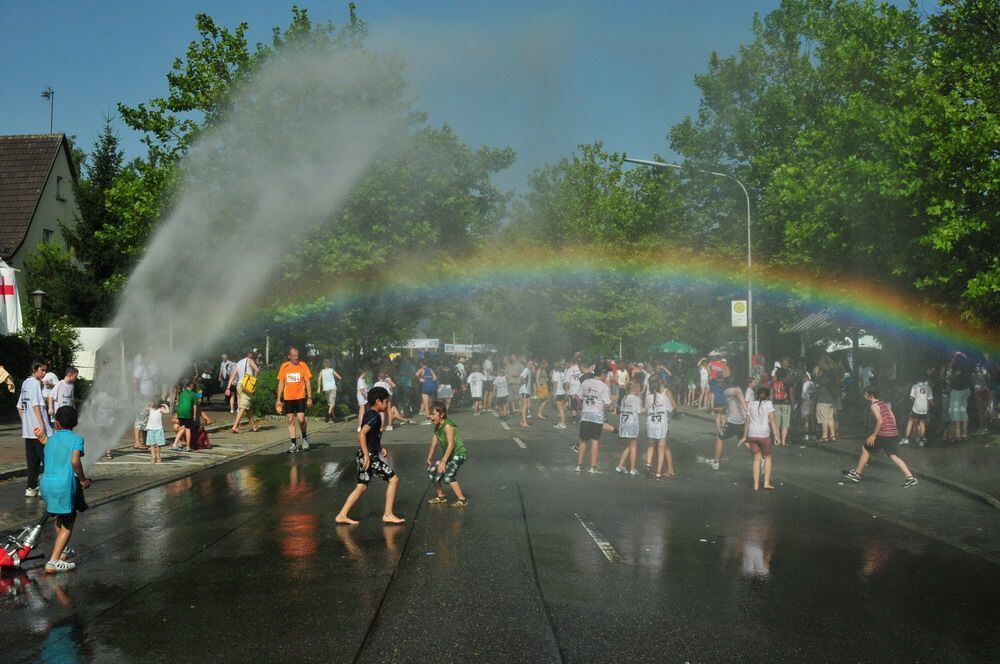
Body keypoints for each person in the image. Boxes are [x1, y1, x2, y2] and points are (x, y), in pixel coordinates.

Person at [335, 386, 404, 525]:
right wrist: (367, 455)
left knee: (361, 486)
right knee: (394, 480)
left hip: (365, 455)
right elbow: (361, 435)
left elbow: (368, 437)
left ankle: (342, 515)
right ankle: (388, 514)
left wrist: (379, 447)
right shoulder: (374, 416)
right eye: (386, 401)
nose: (387, 404)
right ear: (378, 401)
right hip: (368, 457)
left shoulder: (369, 413)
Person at [39, 406, 91, 573]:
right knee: (68, 522)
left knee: (60, 518)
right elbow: (75, 461)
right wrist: (83, 479)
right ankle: (53, 562)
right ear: (75, 423)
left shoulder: (50, 440)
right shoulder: (76, 439)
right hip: (63, 485)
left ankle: (63, 550)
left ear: (56, 423)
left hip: (46, 484)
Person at [844, 388, 918, 487]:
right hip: (893, 433)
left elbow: (880, 421)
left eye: (865, 394)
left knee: (866, 448)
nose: (864, 395)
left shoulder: (874, 406)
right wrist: (892, 429)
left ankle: (857, 474)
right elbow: (892, 417)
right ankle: (910, 478)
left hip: (884, 434)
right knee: (893, 456)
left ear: (871, 395)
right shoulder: (884, 404)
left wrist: (874, 435)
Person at [425, 401, 469, 508]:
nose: (431, 417)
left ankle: (462, 500)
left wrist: (443, 461)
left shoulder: (447, 425)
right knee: (431, 472)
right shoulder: (437, 427)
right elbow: (434, 443)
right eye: (430, 414)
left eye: (433, 414)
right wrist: (429, 458)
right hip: (449, 455)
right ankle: (441, 496)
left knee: (448, 476)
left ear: (442, 414)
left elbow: (451, 445)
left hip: (459, 453)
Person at [18, 361, 53, 497]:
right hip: (39, 432)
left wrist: (26, 421)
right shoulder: (34, 384)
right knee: (48, 458)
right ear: (35, 369)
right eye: (42, 370)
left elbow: (19, 406)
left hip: (29, 431)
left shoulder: (25, 383)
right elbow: (36, 404)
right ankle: (47, 487)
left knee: (32, 461)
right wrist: (42, 424)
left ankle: (31, 487)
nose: (44, 373)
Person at [739, 386, 778, 491]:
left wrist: (744, 436)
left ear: (757, 395)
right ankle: (766, 483)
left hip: (752, 434)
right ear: (768, 396)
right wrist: (777, 436)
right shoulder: (769, 404)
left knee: (756, 460)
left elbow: (747, 421)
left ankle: (756, 485)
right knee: (768, 458)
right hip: (764, 435)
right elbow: (772, 419)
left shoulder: (751, 404)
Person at [576, 362, 612, 474]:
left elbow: (577, 396)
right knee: (595, 440)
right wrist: (604, 409)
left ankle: (579, 465)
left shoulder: (586, 382)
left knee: (583, 440)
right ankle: (593, 467)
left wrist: (582, 407)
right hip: (596, 415)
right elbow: (607, 403)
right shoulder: (604, 386)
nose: (606, 376)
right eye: (606, 374)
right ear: (602, 373)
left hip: (585, 414)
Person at [276, 347, 313, 453]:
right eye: (294, 356)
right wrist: (278, 399)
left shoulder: (303, 365)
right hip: (288, 398)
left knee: (301, 419)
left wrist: (309, 398)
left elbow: (307, 382)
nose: (297, 358)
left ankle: (304, 438)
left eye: (298, 356)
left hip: (300, 397)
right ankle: (293, 443)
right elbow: (281, 383)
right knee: (291, 420)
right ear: (289, 356)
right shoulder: (284, 366)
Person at [644, 377, 677, 480]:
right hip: (661, 424)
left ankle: (648, 464)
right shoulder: (663, 397)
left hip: (651, 423)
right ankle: (658, 474)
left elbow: (646, 410)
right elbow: (671, 409)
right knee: (661, 449)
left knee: (651, 445)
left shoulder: (648, 398)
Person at [709, 382, 748, 470]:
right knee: (745, 440)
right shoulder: (742, 390)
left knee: (720, 437)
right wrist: (721, 409)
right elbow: (730, 403)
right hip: (742, 421)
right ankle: (760, 458)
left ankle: (716, 462)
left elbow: (737, 393)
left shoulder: (728, 391)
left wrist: (744, 406)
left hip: (733, 422)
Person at [225, 350, 260, 434]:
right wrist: (254, 379)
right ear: (250, 354)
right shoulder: (250, 360)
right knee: (243, 406)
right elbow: (257, 370)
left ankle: (254, 426)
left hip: (239, 385)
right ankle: (235, 426)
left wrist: (228, 388)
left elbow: (232, 376)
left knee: (248, 408)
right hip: (247, 385)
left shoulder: (239, 362)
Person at [615, 381, 643, 476]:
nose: (640, 390)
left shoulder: (624, 398)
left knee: (628, 446)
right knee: (634, 446)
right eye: (639, 389)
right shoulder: (636, 399)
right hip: (632, 423)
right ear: (635, 390)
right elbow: (639, 411)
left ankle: (620, 465)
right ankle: (633, 468)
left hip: (624, 423)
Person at [902, 374, 933, 447]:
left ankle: (906, 438)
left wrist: (915, 402)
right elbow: (930, 399)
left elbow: (911, 397)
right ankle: (921, 440)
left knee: (910, 421)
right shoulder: (928, 387)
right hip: (924, 408)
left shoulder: (915, 386)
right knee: (922, 423)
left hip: (916, 407)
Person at [171, 379, 198, 451]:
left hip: (180, 412)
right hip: (187, 412)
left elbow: (180, 403)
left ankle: (174, 443)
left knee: (182, 427)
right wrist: (194, 416)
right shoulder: (193, 394)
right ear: (191, 386)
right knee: (187, 429)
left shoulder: (182, 393)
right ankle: (188, 446)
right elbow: (195, 406)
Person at [317, 359, 343, 424]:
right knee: (332, 403)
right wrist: (335, 379)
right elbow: (340, 377)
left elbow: (319, 379)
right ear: (329, 364)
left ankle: (334, 418)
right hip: (333, 387)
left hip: (326, 388)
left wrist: (319, 388)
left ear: (323, 364)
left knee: (330, 404)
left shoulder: (322, 371)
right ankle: (328, 415)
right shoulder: (332, 370)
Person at [770, 368, 792, 447]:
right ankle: (783, 441)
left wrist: (771, 403)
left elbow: (771, 393)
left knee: (777, 423)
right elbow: (790, 393)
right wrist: (792, 403)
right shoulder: (786, 383)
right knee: (785, 423)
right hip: (786, 403)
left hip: (776, 404)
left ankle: (777, 439)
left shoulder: (774, 383)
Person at [145, 399, 169, 464]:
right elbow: (145, 408)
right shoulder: (150, 408)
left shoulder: (160, 409)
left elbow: (167, 412)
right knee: (152, 444)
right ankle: (153, 457)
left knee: (158, 444)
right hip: (150, 429)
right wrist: (148, 403)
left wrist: (165, 405)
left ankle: (158, 456)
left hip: (158, 429)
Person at [551, 360, 568, 429]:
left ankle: (563, 423)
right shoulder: (562, 374)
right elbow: (563, 384)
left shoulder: (555, 374)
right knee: (561, 409)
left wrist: (554, 393)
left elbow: (555, 384)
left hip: (557, 392)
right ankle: (561, 422)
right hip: (562, 392)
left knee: (560, 409)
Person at [518, 360, 534, 429]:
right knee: (524, 407)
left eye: (532, 364)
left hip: (527, 391)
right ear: (527, 364)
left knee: (526, 407)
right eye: (530, 363)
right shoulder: (526, 370)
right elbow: (521, 377)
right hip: (524, 390)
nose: (531, 365)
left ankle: (522, 421)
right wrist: (524, 383)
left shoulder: (529, 371)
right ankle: (524, 423)